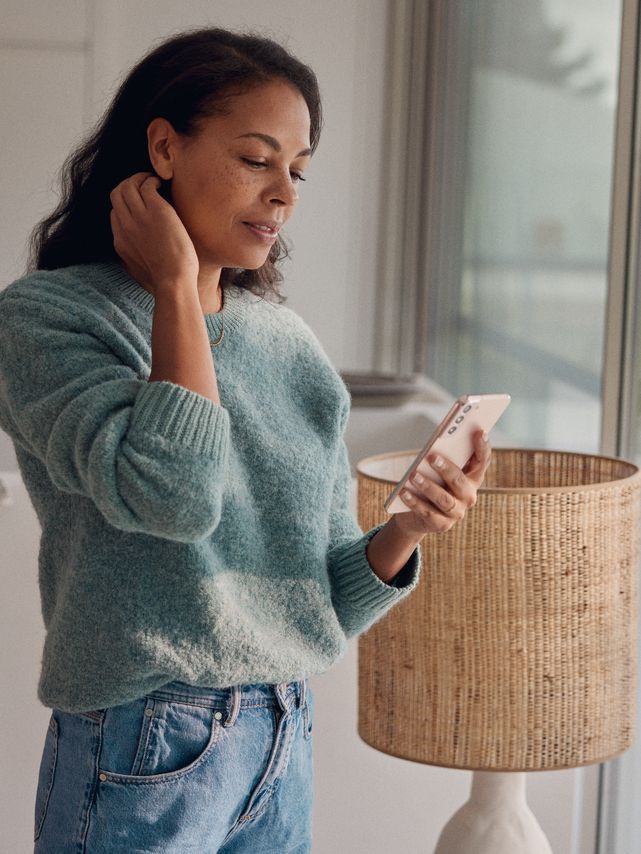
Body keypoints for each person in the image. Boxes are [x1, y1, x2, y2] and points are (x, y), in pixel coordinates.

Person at [0, 26, 492, 854]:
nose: (284, 195)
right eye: (257, 159)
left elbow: (322, 595)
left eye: (296, 170)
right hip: (143, 741)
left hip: (280, 729)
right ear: (163, 147)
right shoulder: (45, 319)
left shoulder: (285, 344)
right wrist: (173, 286)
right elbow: (172, 497)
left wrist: (407, 527)